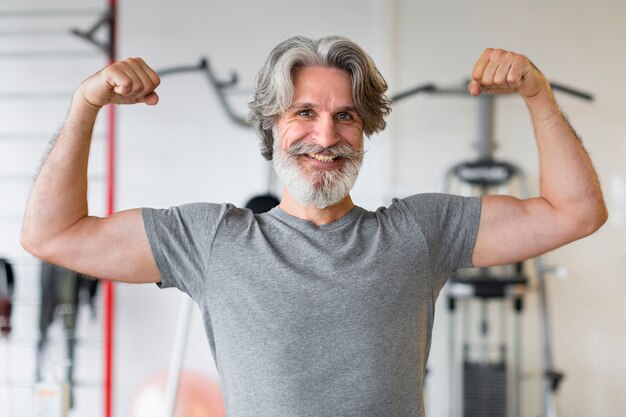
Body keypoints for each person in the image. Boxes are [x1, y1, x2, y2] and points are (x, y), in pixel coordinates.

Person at [21, 35, 607, 417]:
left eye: (345, 116)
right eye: (305, 112)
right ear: (272, 126)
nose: (325, 137)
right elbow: (52, 234)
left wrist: (537, 95)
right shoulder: (211, 241)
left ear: (366, 129)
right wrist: (85, 106)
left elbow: (575, 211)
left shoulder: (420, 233)